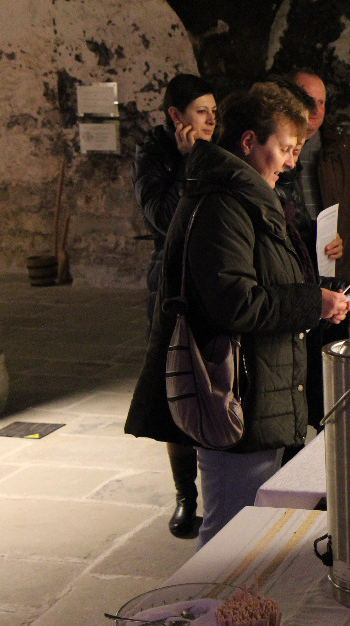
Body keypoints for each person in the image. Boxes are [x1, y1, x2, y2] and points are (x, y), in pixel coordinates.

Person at [125, 82, 350, 548]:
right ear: (249, 141)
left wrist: (324, 296)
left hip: (261, 391)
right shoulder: (222, 204)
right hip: (234, 395)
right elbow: (235, 302)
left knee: (252, 533)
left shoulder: (250, 197)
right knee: (228, 536)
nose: (291, 162)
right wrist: (313, 303)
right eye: (284, 149)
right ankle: (213, 599)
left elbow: (272, 278)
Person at [274, 70, 350, 426]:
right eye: (307, 101)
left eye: (322, 102)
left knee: (329, 379)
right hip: (291, 285)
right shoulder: (275, 152)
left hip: (333, 280)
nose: (315, 110)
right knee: (294, 379)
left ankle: (326, 437)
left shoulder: (341, 150)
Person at [131, 73, 216, 538]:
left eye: (214, 112)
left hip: (211, 276)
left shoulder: (217, 149)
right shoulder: (154, 154)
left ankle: (218, 481)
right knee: (175, 386)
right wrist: (187, 162)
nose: (210, 120)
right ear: (175, 116)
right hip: (170, 281)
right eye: (201, 112)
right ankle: (186, 496)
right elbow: (163, 217)